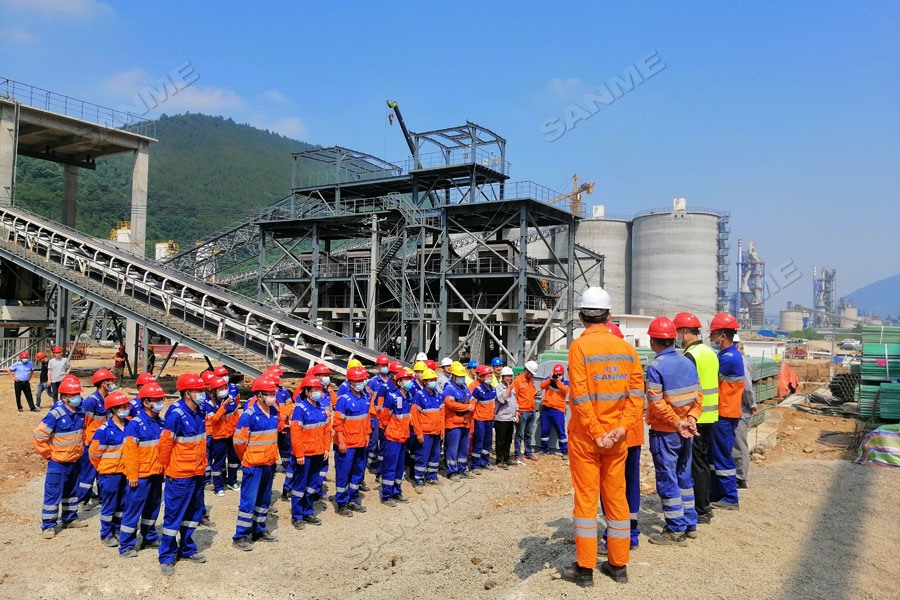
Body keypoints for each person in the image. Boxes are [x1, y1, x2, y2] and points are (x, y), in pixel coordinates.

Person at [562, 287, 643, 587]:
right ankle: (618, 565)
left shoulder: (579, 348)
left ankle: (585, 571)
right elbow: (636, 396)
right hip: (617, 439)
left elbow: (580, 398)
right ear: (609, 316)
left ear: (582, 316)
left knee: (586, 501)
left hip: (587, 438)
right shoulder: (628, 350)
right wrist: (621, 428)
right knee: (616, 498)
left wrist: (596, 434)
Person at [643, 317, 703, 546]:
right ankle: (690, 524)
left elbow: (656, 402)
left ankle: (675, 530)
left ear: (652, 341)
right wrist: (690, 418)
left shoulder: (656, 367)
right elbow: (699, 395)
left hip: (666, 432)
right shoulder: (687, 361)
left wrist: (677, 423)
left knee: (667, 479)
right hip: (685, 431)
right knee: (683, 477)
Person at [157, 373, 209, 574]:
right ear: (188, 393)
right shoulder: (176, 414)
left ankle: (187, 548)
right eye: (200, 391)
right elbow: (165, 445)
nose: (203, 394)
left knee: (193, 514)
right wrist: (167, 469)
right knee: (174, 516)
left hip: (197, 472)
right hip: (179, 475)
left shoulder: (200, 411)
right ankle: (167, 556)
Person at [600, 322, 642, 552]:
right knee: (630, 486)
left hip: (612, 439)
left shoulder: (603, 369)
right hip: (632, 434)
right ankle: (631, 535)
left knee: (610, 488)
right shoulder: (631, 361)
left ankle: (614, 537)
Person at [674, 312, 719, 525]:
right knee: (703, 461)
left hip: (696, 417)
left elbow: (686, 388)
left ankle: (700, 509)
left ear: (684, 332)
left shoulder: (691, 355)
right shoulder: (709, 352)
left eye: (677, 332)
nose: (676, 336)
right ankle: (705, 504)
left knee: (696, 464)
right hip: (710, 415)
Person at [32, 375, 90, 538]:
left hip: (75, 460)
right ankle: (49, 525)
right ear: (64, 397)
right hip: (58, 462)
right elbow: (39, 435)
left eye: (77, 394)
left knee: (72, 492)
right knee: (53, 493)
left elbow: (83, 431)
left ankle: (70, 518)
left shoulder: (80, 412)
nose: (77, 397)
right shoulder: (55, 414)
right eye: (73, 395)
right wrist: (48, 455)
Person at [232, 376, 280, 551]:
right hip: (253, 465)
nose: (273, 397)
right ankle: (240, 536)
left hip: (268, 463)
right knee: (248, 501)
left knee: (264, 499)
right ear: (259, 396)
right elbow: (238, 443)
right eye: (269, 394)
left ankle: (259, 530)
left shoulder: (274, 412)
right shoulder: (248, 416)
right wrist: (247, 459)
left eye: (273, 393)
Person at [119, 382, 167, 558]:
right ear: (146, 402)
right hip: (139, 477)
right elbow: (129, 452)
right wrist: (132, 474)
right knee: (133, 510)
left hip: (156, 474)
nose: (160, 402)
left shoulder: (161, 422)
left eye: (161, 399)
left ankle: (149, 536)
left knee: (153, 508)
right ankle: (126, 545)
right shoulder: (135, 424)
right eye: (157, 400)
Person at [708, 313, 745, 511]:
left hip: (724, 413)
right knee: (716, 455)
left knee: (722, 456)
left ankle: (730, 497)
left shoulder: (728, 358)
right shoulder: (726, 355)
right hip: (723, 412)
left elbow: (711, 381)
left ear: (723, 335)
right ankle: (716, 493)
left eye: (713, 334)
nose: (711, 338)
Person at [89, 390, 132, 547]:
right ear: (114, 409)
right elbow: (94, 455)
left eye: (127, 405)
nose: (127, 408)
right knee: (109, 505)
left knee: (122, 503)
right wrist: (103, 469)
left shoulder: (130, 426)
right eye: (123, 406)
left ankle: (118, 529)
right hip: (109, 475)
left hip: (125, 473)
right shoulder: (104, 430)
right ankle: (106, 533)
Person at [289, 375, 330, 529]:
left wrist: (326, 447)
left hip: (318, 453)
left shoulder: (321, 408)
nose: (319, 392)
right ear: (307, 392)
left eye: (320, 390)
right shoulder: (300, 408)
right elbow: (296, 433)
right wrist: (299, 454)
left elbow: (326, 429)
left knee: (312, 485)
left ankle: (308, 511)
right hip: (304, 455)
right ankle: (297, 516)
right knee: (300, 485)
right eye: (315, 390)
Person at [333, 366, 372, 515]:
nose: (361, 382)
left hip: (361, 443)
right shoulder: (343, 400)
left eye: (362, 380)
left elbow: (366, 419)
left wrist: (367, 434)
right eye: (358, 380)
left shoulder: (365, 398)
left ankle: (353, 499)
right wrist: (341, 442)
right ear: (350, 382)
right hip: (347, 444)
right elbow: (338, 424)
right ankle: (342, 503)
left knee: (358, 472)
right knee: (344, 473)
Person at [77, 368, 117, 504]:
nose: (113, 383)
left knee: (102, 472)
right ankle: (82, 499)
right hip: (91, 443)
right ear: (103, 383)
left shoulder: (106, 399)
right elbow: (84, 424)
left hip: (103, 442)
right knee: (88, 474)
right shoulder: (91, 401)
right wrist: (87, 441)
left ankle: (102, 498)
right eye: (110, 381)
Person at [380, 368, 413, 506]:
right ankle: (386, 495)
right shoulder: (392, 397)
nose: (409, 382)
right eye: (406, 380)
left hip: (403, 437)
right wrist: (391, 430)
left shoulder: (409, 397)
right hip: (393, 437)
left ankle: (397, 491)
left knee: (399, 466)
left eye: (410, 379)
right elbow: (384, 417)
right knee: (390, 466)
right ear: (399, 382)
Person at [411, 367, 444, 490]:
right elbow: (414, 416)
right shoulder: (419, 396)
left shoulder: (438, 395)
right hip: (425, 432)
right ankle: (419, 480)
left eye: (434, 379)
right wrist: (418, 433)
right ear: (425, 382)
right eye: (431, 380)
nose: (433, 382)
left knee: (435, 456)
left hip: (436, 432)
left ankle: (432, 476)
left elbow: (442, 414)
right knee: (422, 456)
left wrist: (442, 430)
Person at [207, 376, 240, 497]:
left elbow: (235, 416)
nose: (224, 390)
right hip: (219, 437)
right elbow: (213, 420)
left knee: (233, 460)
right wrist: (222, 408)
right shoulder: (210, 404)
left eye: (225, 387)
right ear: (214, 391)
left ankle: (232, 481)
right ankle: (218, 486)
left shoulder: (231, 401)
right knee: (219, 462)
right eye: (220, 388)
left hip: (232, 435)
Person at [443, 361, 474, 480]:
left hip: (465, 422)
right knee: (453, 448)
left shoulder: (464, 387)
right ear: (454, 376)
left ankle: (462, 468)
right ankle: (452, 471)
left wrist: (470, 406)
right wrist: (466, 407)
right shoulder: (449, 388)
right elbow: (450, 404)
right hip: (453, 423)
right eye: (459, 377)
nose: (461, 379)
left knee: (463, 448)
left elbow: (471, 400)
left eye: (463, 377)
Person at [733, 345, 757, 490]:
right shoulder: (729, 358)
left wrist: (752, 405)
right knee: (735, 445)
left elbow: (747, 388)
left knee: (739, 445)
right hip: (731, 411)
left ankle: (741, 478)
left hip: (740, 411)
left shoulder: (739, 361)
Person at [366, 355, 392, 474]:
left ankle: (383, 463)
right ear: (377, 367)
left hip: (388, 416)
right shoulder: (373, 382)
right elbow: (367, 399)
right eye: (382, 365)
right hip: (375, 416)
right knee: (374, 440)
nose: (384, 367)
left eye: (386, 365)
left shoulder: (392, 381)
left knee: (385, 441)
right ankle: (372, 461)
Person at [539, 364, 569, 457]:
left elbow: (565, 391)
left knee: (561, 431)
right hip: (547, 408)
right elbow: (542, 385)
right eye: (556, 374)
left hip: (558, 410)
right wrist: (550, 379)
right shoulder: (549, 379)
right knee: (544, 430)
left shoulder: (565, 382)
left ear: (563, 374)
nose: (557, 375)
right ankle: (544, 450)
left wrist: (558, 381)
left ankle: (564, 451)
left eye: (559, 374)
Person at [470, 365, 496, 472]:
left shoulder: (493, 390)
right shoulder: (478, 390)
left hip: (489, 419)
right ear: (481, 377)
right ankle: (475, 465)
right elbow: (473, 404)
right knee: (478, 441)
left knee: (488, 441)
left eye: (490, 376)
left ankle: (484, 462)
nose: (490, 378)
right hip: (480, 419)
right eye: (487, 376)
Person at [512, 361, 539, 461]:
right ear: (526, 370)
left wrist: (535, 394)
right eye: (531, 373)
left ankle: (528, 452)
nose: (532, 375)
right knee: (520, 434)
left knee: (528, 434)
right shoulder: (518, 381)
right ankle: (518, 453)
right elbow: (514, 397)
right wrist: (516, 411)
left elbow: (528, 394)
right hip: (522, 412)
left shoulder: (531, 380)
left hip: (531, 411)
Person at [493, 366, 518, 468]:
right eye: (507, 376)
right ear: (502, 377)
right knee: (500, 440)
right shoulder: (498, 388)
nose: (509, 378)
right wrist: (508, 390)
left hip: (510, 418)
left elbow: (514, 401)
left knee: (508, 440)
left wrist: (516, 412)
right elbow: (502, 400)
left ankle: (506, 458)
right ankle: (499, 460)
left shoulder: (512, 387)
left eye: (510, 376)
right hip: (501, 418)